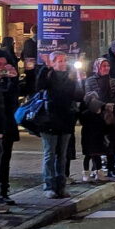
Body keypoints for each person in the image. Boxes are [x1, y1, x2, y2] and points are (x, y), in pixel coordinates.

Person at [36, 52, 80, 198]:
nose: (63, 63)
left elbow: (77, 95)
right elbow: (39, 86)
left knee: (62, 155)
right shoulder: (49, 75)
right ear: (53, 63)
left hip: (65, 120)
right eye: (59, 61)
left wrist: (80, 79)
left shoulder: (70, 76)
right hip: (50, 120)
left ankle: (61, 186)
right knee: (50, 153)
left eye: (64, 60)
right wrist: (45, 68)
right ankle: (48, 185)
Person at [81, 57, 115, 181]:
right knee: (97, 145)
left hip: (111, 114)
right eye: (103, 66)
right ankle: (96, 169)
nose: (106, 68)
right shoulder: (90, 81)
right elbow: (90, 96)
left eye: (107, 66)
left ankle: (112, 169)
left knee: (112, 143)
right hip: (98, 115)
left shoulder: (112, 81)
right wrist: (103, 105)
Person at [0, 52, 19, 204]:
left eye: (4, 65)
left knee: (5, 160)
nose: (1, 68)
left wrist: (13, 80)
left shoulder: (8, 82)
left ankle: (4, 191)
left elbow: (13, 100)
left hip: (6, 125)